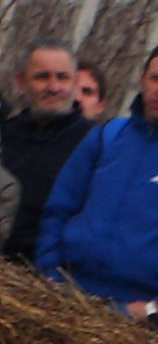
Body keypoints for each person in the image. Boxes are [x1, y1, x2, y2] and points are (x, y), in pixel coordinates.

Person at [31, 40, 158, 323]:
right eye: (156, 78)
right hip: (67, 293)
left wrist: (157, 307)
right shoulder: (106, 136)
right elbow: (58, 209)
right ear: (142, 79)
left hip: (134, 316)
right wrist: (50, 273)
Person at [0, 41, 91, 264]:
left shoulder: (94, 144)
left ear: (75, 83)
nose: (53, 87)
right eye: (42, 77)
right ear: (21, 82)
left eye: (62, 77)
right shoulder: (5, 134)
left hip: (49, 274)